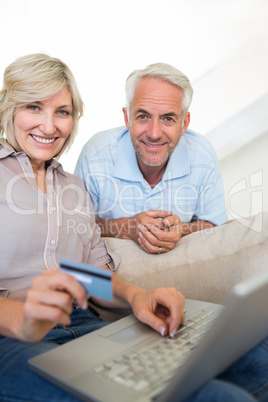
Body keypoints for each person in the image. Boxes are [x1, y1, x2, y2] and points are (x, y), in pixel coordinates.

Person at [0, 54, 267, 402]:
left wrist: (135, 296)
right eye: (33, 107)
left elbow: (88, 274)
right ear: (8, 107)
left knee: (256, 355)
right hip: (14, 341)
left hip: (85, 326)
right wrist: (22, 319)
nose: (49, 126)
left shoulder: (72, 188)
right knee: (218, 397)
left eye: (62, 112)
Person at [74, 63, 227, 255]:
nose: (154, 134)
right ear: (127, 118)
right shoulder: (95, 153)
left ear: (184, 123)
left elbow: (215, 225)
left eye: (168, 119)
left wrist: (183, 229)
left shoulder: (202, 155)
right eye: (143, 116)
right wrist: (126, 227)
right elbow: (75, 229)